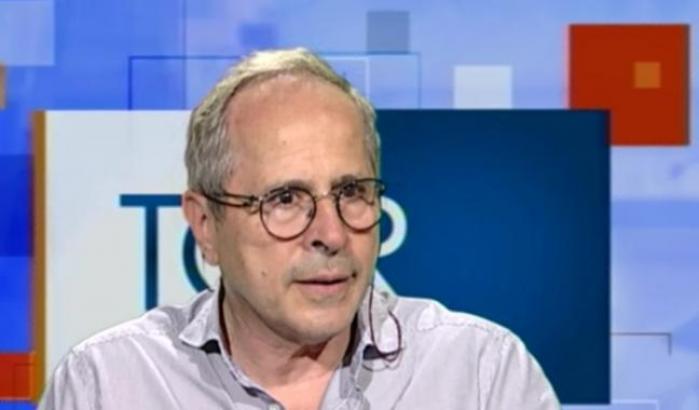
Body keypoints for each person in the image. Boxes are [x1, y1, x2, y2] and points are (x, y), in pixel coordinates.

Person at [40, 48, 560, 409]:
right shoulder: (108, 386)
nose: (331, 235)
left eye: (352, 191)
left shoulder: (480, 376)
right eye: (285, 199)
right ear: (205, 225)